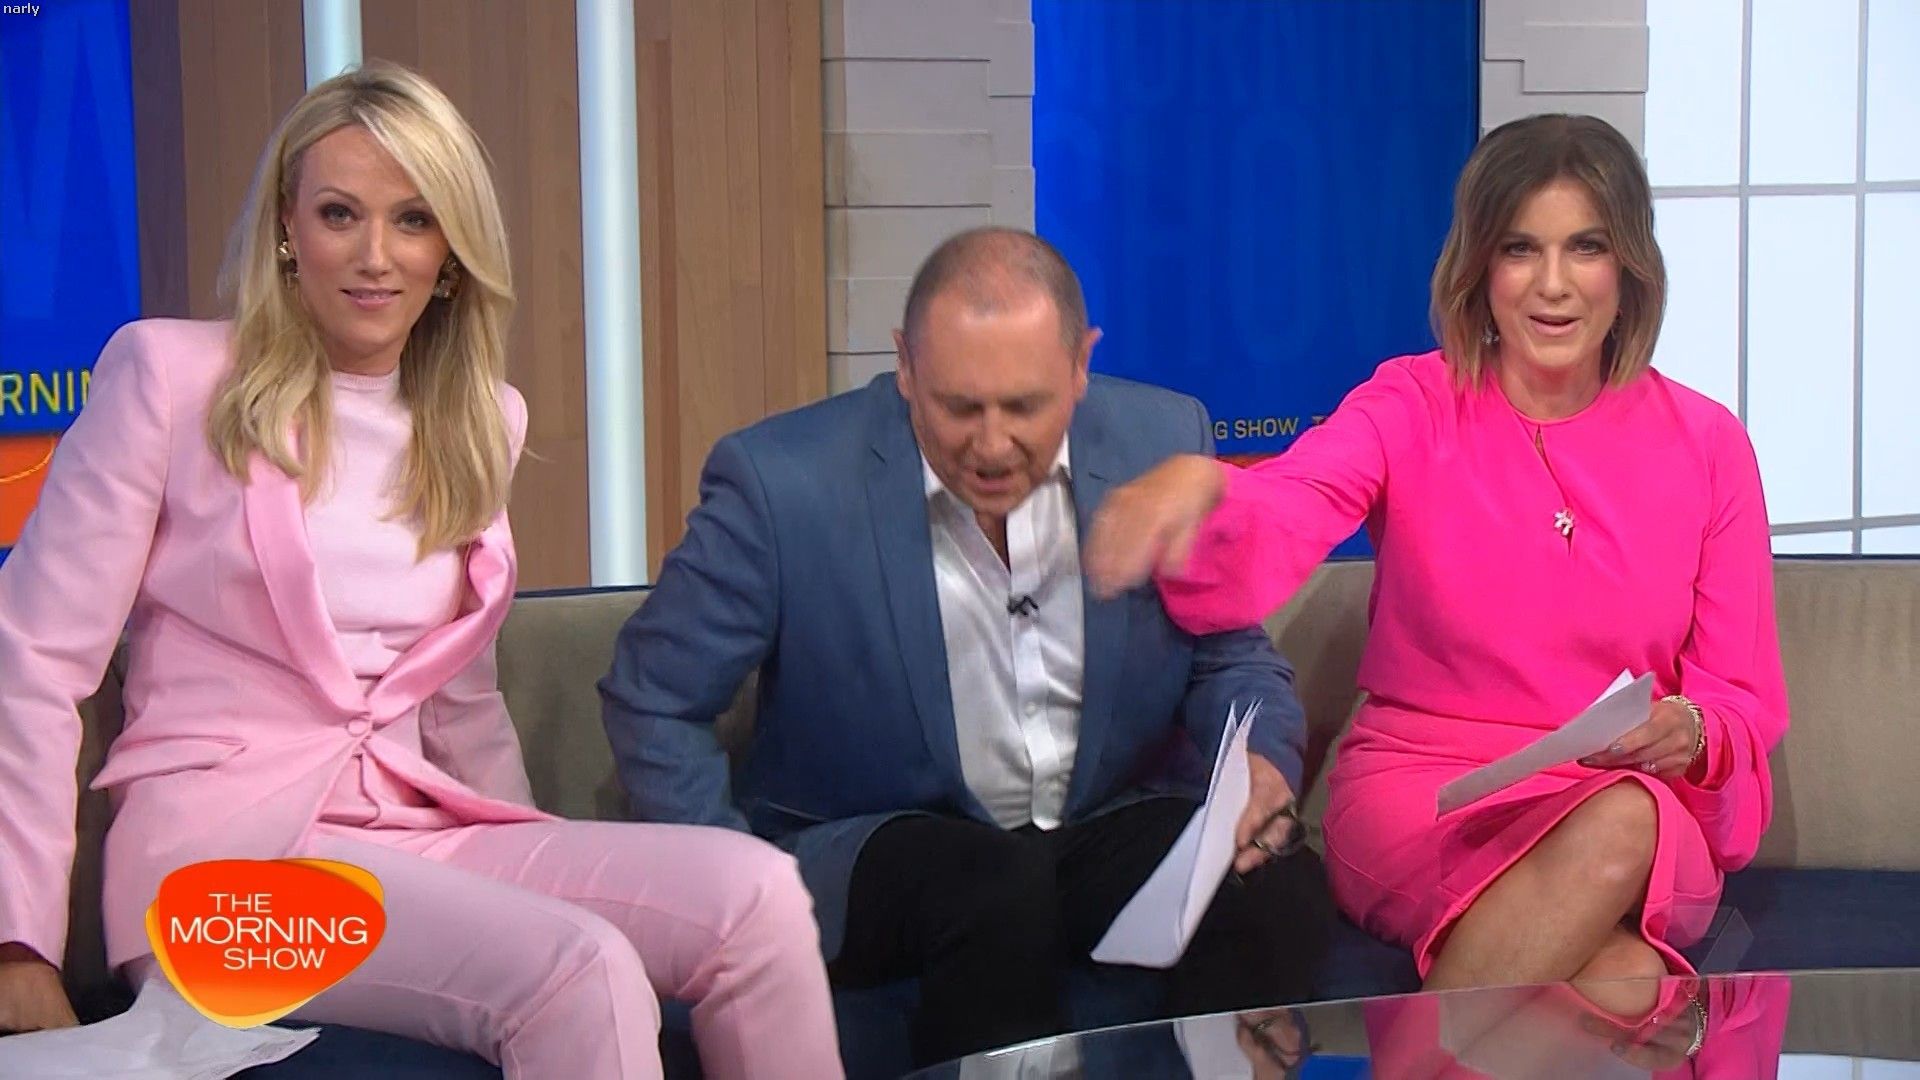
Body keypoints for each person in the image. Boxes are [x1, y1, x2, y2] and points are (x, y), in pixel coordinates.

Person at [0, 62, 841, 1079]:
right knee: (580, 969)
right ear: (287, 227)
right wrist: (17, 941)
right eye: (339, 214)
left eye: (412, 220)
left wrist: (532, 866)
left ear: (450, 253)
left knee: (757, 895)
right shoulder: (170, 377)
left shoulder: (479, 418)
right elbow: (33, 658)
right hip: (223, 875)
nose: (374, 256)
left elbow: (460, 702)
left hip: (424, 833)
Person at [1084, 114, 1789, 1015]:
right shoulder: (1411, 403)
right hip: (1426, 793)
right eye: (1521, 249)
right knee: (1626, 988)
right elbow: (1299, 497)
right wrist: (1210, 489)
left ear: (1630, 269)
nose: (1553, 284)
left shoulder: (1709, 445)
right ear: (1480, 267)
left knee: (1623, 819)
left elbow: (1738, 693)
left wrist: (1690, 730)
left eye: (1586, 247)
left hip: (1620, 796)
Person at [601, 227, 1332, 1069]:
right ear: (905, 367)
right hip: (879, 840)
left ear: (1080, 366)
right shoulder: (782, 482)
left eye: (1023, 407)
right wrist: (727, 887)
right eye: (958, 407)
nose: (990, 445)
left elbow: (1229, 655)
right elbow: (653, 697)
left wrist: (1260, 765)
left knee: (1274, 883)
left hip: (1098, 819)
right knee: (992, 889)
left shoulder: (1160, 443)